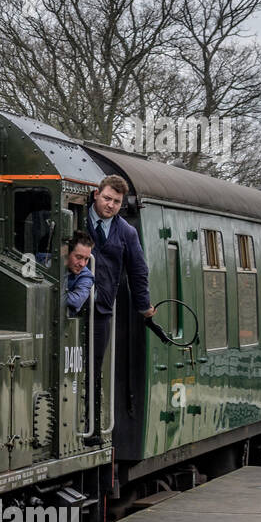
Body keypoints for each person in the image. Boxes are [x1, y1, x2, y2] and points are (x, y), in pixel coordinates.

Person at [85, 175, 155, 435]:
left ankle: (91, 427)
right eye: (107, 198)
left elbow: (138, 271)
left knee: (95, 366)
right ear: (96, 195)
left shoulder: (126, 232)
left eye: (116, 201)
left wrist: (144, 306)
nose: (110, 205)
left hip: (102, 309)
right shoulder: (77, 220)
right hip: (71, 307)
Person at [65, 231, 94, 314]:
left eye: (86, 259)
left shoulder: (86, 276)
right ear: (66, 253)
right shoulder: (47, 262)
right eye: (78, 257)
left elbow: (76, 301)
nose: (82, 264)